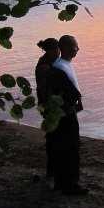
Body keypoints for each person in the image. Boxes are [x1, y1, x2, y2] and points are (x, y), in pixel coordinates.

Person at [47, 35, 87, 195]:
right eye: (74, 47)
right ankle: (69, 184)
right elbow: (63, 93)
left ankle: (62, 182)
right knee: (70, 148)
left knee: (66, 148)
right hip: (65, 114)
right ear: (65, 48)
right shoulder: (59, 68)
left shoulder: (63, 64)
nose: (77, 49)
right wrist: (74, 103)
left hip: (67, 112)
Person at [35, 38, 60, 179]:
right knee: (53, 140)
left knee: (53, 139)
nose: (58, 52)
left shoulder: (48, 63)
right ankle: (52, 172)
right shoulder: (45, 67)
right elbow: (44, 90)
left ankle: (53, 171)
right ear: (50, 50)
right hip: (49, 107)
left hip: (48, 106)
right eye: (56, 49)